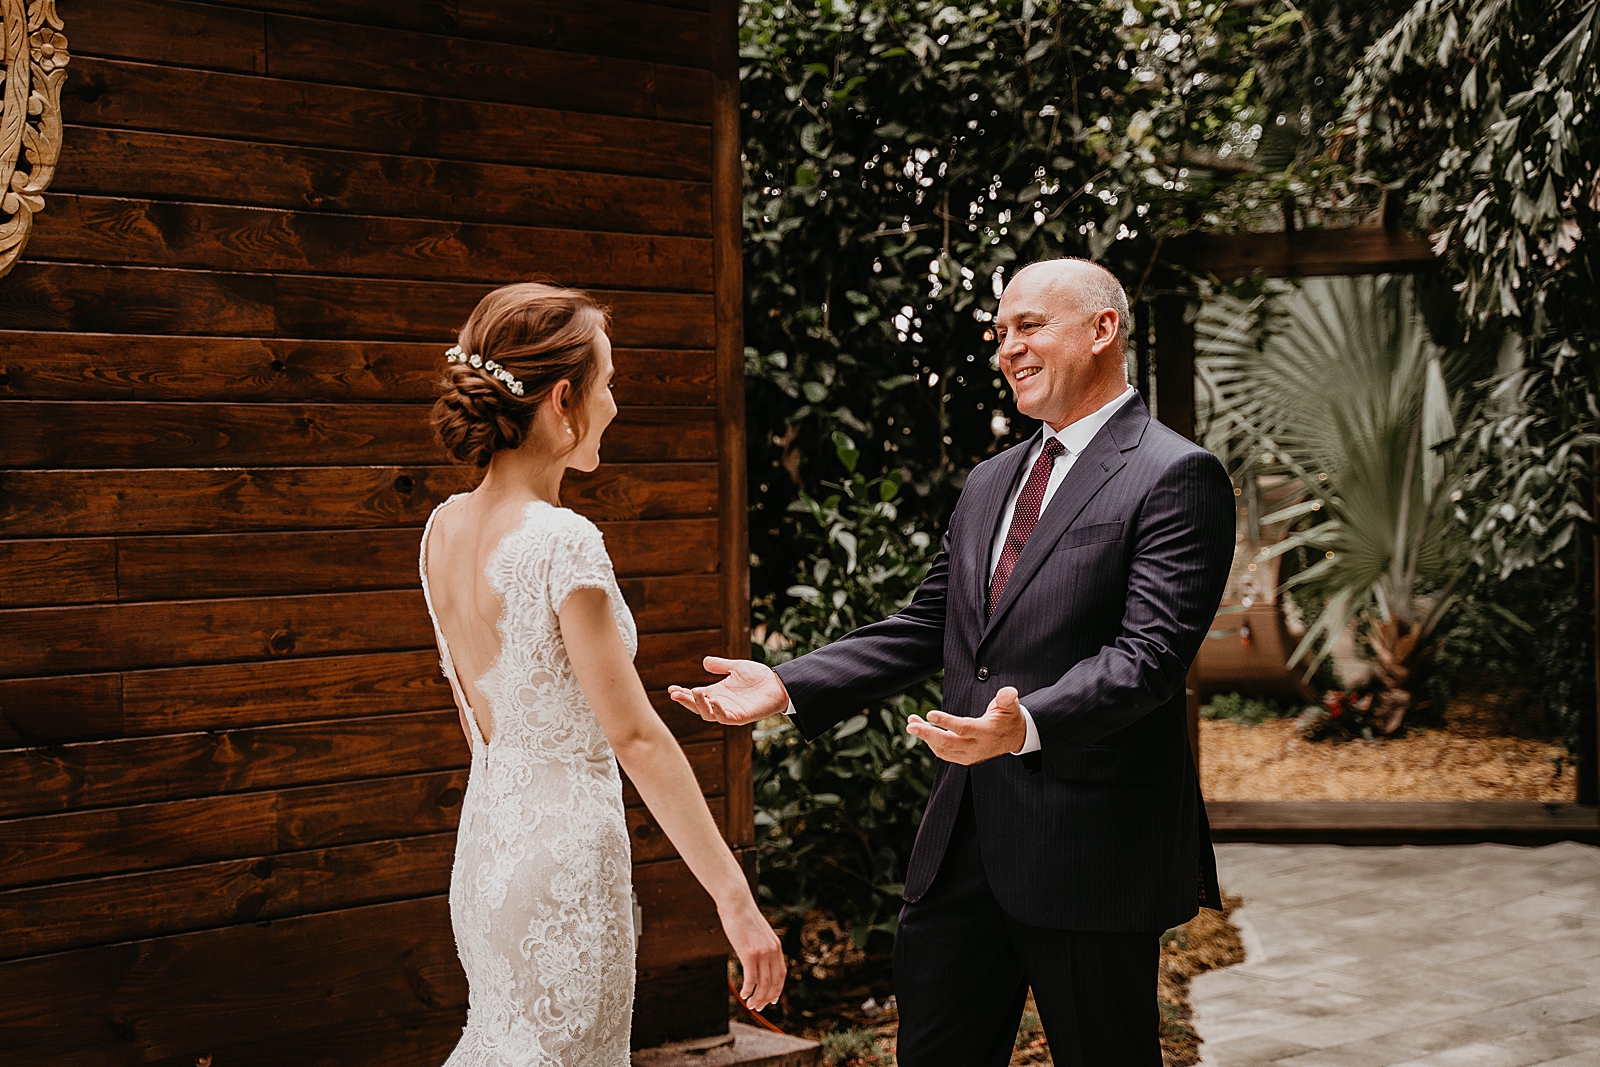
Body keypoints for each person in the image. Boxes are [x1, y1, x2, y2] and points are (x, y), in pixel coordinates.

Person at [670, 259, 1234, 1066]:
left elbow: (1150, 657)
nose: (1008, 348)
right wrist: (789, 681)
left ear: (1102, 329)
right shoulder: (991, 480)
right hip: (959, 847)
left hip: (1092, 852)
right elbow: (929, 623)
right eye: (1001, 332)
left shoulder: (1175, 473)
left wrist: (1026, 723)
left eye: (1029, 326)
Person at [418, 282, 783, 1066]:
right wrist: (736, 898)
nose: (614, 405)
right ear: (563, 399)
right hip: (564, 871)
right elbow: (636, 737)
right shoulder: (562, 541)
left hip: (486, 853)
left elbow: (479, 718)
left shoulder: (441, 529)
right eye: (608, 384)